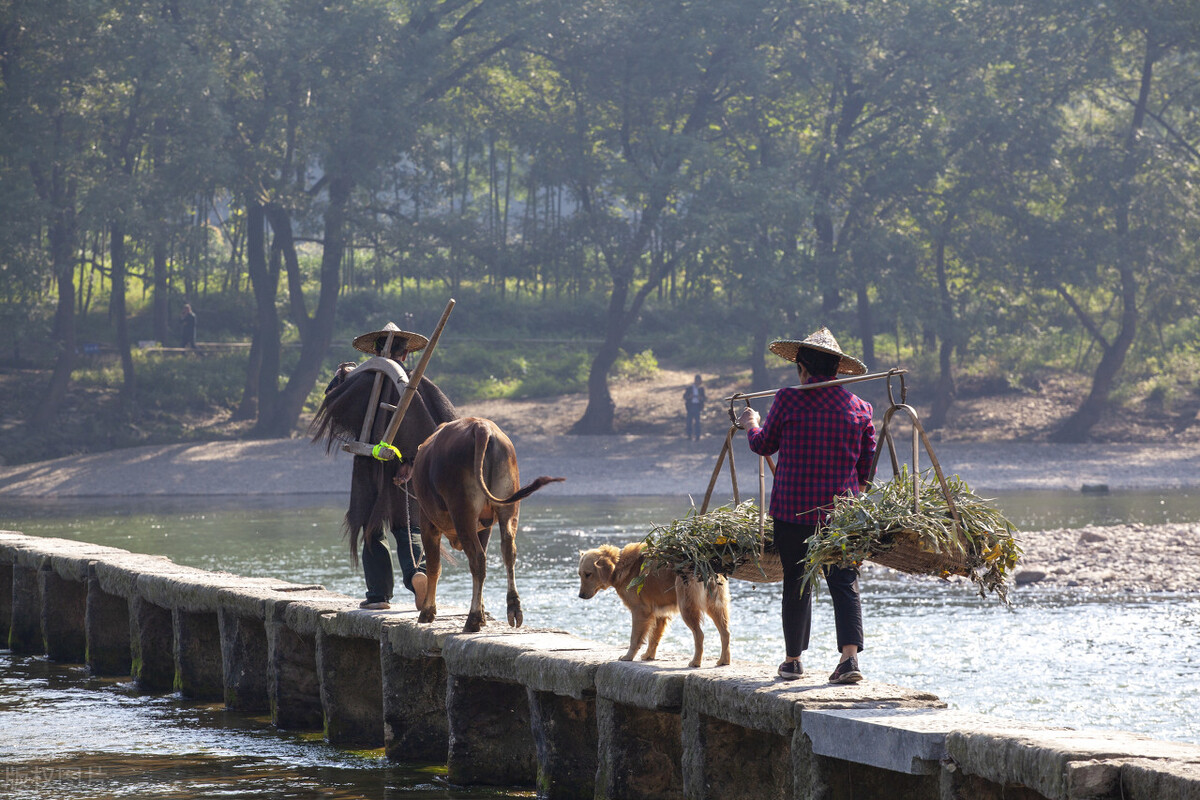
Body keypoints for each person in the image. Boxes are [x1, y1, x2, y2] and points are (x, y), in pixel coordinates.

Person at [737, 326, 876, 684]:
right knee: (844, 581)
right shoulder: (861, 409)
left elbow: (764, 445)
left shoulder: (788, 399)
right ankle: (849, 660)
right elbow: (867, 469)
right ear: (835, 370)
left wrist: (751, 423)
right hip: (841, 515)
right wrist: (845, 495)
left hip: (792, 511)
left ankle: (793, 661)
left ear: (803, 368)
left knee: (796, 582)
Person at [330, 322, 432, 610]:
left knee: (372, 526)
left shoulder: (358, 381)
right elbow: (431, 426)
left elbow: (332, 404)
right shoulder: (414, 382)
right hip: (404, 467)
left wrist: (343, 375)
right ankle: (417, 574)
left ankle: (378, 596)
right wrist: (411, 463)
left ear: (376, 350)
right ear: (405, 354)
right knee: (407, 526)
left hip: (367, 465)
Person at [682, 374, 707, 440]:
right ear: (695, 380)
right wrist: (690, 397)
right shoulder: (689, 388)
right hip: (690, 406)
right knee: (689, 421)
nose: (699, 382)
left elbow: (704, 398)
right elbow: (684, 397)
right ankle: (689, 435)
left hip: (697, 406)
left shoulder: (701, 389)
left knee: (697, 422)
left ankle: (697, 435)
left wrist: (700, 398)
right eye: (698, 381)